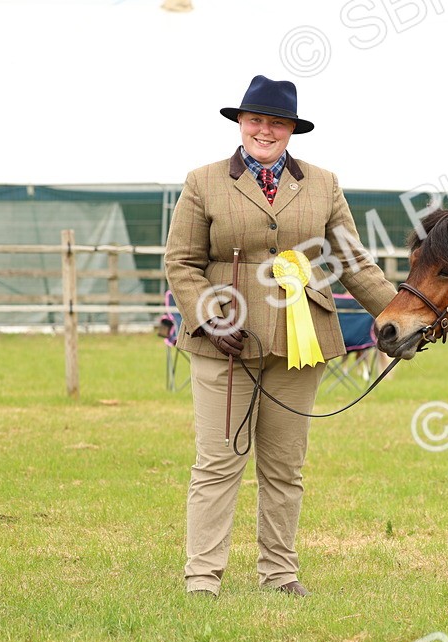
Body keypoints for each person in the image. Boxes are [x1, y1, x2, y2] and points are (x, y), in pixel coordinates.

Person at [165, 75, 397, 599]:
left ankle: (279, 573)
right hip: (226, 342)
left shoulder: (323, 183)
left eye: (277, 122)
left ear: (292, 129)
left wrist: (398, 316)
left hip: (301, 342)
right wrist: (208, 315)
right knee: (219, 461)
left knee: (285, 466)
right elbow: (181, 262)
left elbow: (353, 261)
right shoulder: (202, 182)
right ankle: (202, 578)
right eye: (256, 120)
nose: (265, 130)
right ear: (240, 123)